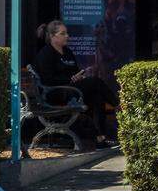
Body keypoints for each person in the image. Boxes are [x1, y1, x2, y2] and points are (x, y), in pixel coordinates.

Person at [32, 21, 119, 149]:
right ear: (52, 36)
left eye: (66, 33)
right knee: (95, 81)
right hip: (56, 93)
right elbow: (48, 80)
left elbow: (74, 71)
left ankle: (100, 138)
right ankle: (118, 105)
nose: (67, 36)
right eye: (63, 33)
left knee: (97, 97)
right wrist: (69, 79)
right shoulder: (45, 54)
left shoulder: (67, 52)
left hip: (72, 89)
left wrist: (79, 76)